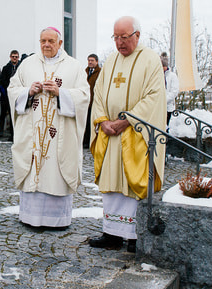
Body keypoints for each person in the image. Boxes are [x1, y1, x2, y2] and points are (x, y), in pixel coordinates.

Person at [89, 16, 166, 253]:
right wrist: (102, 121)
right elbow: (99, 94)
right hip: (111, 135)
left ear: (137, 36)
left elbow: (154, 96)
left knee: (134, 183)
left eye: (125, 37)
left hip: (136, 135)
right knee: (112, 183)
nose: (120, 43)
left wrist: (126, 120)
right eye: (116, 37)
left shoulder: (150, 59)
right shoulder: (111, 60)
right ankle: (112, 233)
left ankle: (134, 236)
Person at [8, 27, 89, 228]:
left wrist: (62, 93)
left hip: (60, 133)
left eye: (51, 41)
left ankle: (57, 220)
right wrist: (28, 91)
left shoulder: (74, 66)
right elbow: (12, 89)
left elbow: (84, 95)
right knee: (34, 166)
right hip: (32, 131)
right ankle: (30, 217)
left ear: (60, 43)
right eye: (43, 40)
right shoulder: (27, 64)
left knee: (55, 170)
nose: (46, 45)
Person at [0, 50, 20, 141]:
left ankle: (14, 134)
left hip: (18, 94)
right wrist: (7, 90)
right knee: (3, 114)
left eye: (16, 57)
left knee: (15, 115)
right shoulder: (6, 68)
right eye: (13, 56)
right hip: (6, 95)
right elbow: (2, 80)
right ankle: (1, 132)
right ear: (10, 57)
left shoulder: (21, 67)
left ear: (18, 57)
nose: (14, 58)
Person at [83, 53, 101, 148]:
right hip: (85, 102)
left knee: (92, 123)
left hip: (94, 102)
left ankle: (91, 141)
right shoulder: (84, 72)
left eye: (92, 60)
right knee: (85, 122)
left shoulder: (100, 72)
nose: (90, 62)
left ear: (96, 62)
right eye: (89, 60)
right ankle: (84, 141)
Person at [161, 57, 179, 125]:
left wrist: (165, 100)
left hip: (168, 106)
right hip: (158, 106)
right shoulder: (157, 75)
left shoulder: (172, 76)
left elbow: (174, 91)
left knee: (165, 125)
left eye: (163, 66)